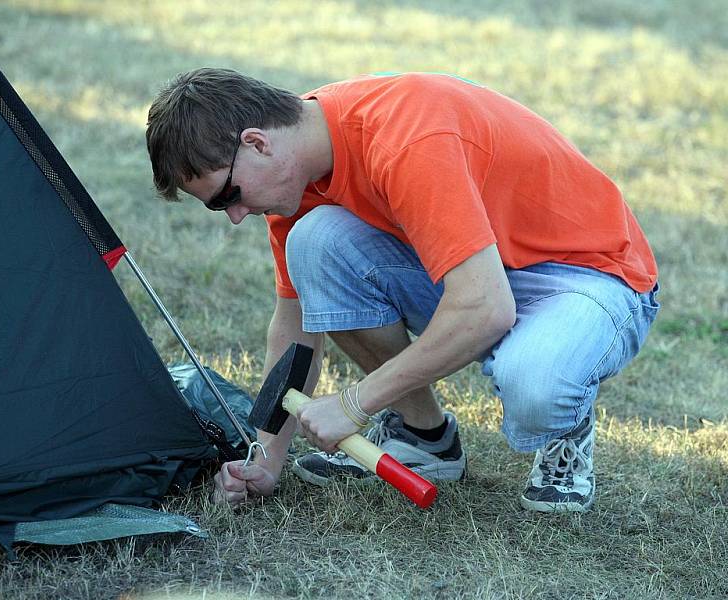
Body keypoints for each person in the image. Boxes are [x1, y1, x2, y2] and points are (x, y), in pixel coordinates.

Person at [145, 68, 659, 512]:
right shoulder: (298, 180)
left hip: (590, 275)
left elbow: (486, 308)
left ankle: (563, 430)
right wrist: (266, 460)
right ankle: (425, 438)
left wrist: (355, 403)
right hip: (482, 273)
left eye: (226, 197)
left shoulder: (404, 136)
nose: (235, 217)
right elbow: (295, 328)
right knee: (316, 242)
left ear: (257, 142)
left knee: (538, 382)